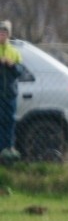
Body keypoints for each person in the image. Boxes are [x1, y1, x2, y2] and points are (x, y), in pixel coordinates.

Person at [0, 20, 23, 161]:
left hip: (9, 95)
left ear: (8, 34)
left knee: (9, 123)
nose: (2, 35)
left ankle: (7, 152)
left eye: (4, 32)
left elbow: (20, 72)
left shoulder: (14, 52)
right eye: (0, 32)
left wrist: (11, 64)